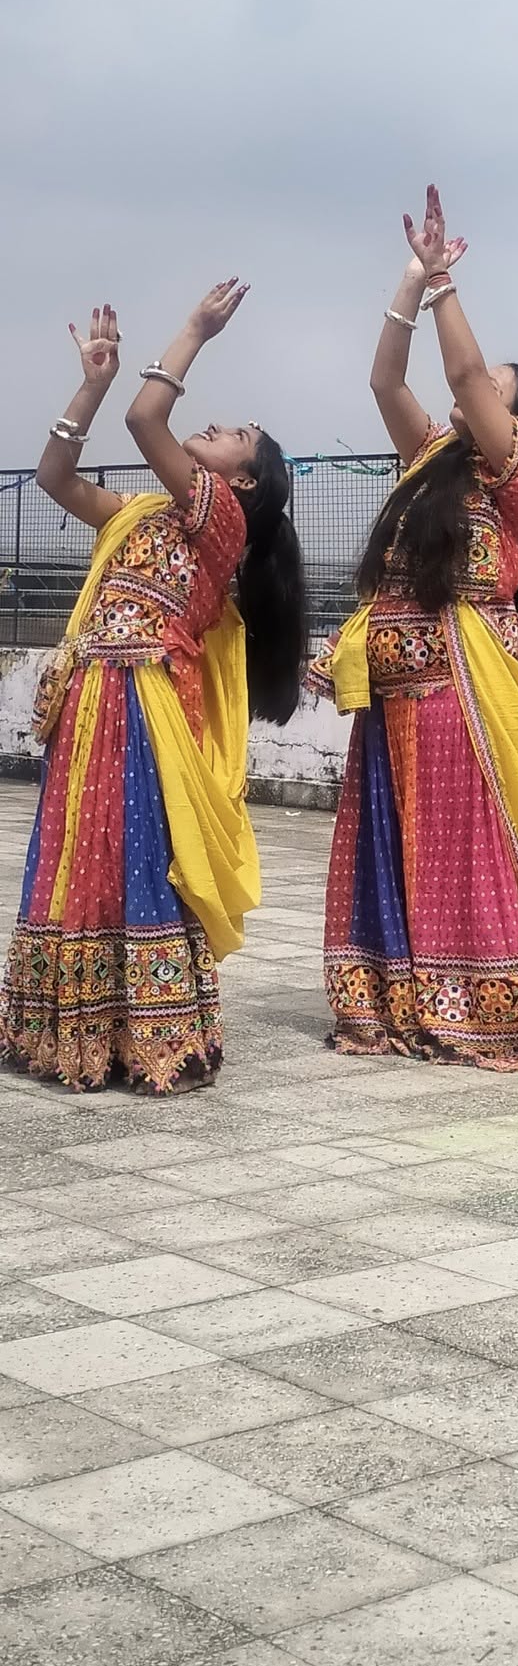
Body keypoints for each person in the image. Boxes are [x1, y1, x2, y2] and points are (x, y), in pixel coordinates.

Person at [1, 285, 306, 1092]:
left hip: (142, 706)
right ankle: (72, 1027)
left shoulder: (220, 523)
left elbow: (147, 421)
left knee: (135, 849)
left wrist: (193, 332)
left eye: (236, 435)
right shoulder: (140, 514)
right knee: (79, 850)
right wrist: (91, 385)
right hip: (88, 699)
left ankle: (152, 1029)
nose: (217, 426)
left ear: (245, 482)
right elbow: (55, 475)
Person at [316, 186, 518, 1069]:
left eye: (494, 390)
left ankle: (479, 998)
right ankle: (396, 991)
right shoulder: (433, 457)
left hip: (454, 688)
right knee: (392, 838)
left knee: (454, 840)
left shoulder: (515, 473)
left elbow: (465, 375)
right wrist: (408, 280)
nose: (473, 390)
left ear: (517, 422)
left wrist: (444, 287)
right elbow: (385, 381)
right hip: (388, 687)